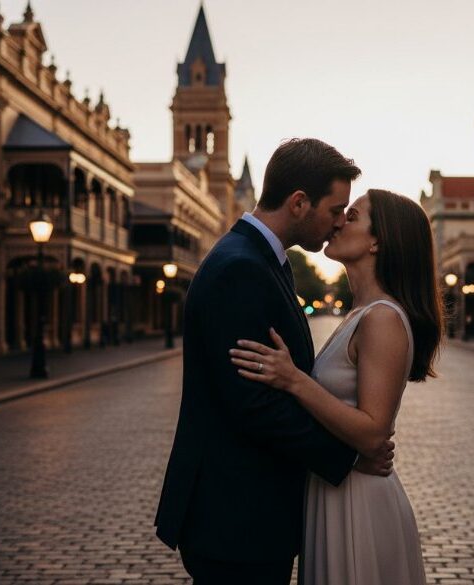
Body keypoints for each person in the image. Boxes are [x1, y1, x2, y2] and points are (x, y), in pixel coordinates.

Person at [153, 139, 396, 585]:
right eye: (335, 209)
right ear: (299, 203)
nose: (339, 221)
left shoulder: (261, 260)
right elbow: (254, 404)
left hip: (248, 518)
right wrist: (347, 459)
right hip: (235, 519)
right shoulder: (240, 268)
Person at [230, 188, 443, 585]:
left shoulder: (382, 318)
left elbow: (374, 431)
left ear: (378, 241)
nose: (339, 221)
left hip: (358, 500)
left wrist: (293, 379)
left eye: (354, 215)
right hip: (336, 489)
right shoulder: (361, 313)